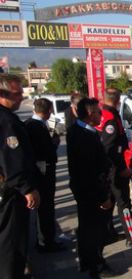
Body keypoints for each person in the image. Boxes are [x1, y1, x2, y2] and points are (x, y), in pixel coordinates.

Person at [96, 88, 132, 249]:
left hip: (108, 169)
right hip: (114, 169)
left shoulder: (103, 114)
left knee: (112, 201)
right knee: (124, 204)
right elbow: (110, 149)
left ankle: (108, 233)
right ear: (117, 99)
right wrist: (121, 169)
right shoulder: (111, 119)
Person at [67, 98, 116, 279]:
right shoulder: (85, 137)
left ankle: (86, 261)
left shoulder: (76, 130)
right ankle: (97, 264)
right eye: (97, 112)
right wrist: (104, 196)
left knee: (86, 228)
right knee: (96, 230)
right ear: (89, 114)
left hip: (83, 190)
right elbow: (91, 171)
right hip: (91, 192)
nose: (101, 115)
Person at [0, 74, 41, 279]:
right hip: (11, 194)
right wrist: (27, 189)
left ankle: (14, 274)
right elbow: (13, 161)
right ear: (3, 94)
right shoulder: (6, 121)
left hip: (8, 191)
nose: (21, 98)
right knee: (12, 239)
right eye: (17, 94)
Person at [25, 98, 64, 253]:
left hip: (39, 171)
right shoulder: (36, 126)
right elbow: (43, 152)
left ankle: (44, 239)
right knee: (46, 207)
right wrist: (54, 143)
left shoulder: (29, 124)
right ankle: (46, 241)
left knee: (44, 208)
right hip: (43, 172)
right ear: (48, 112)